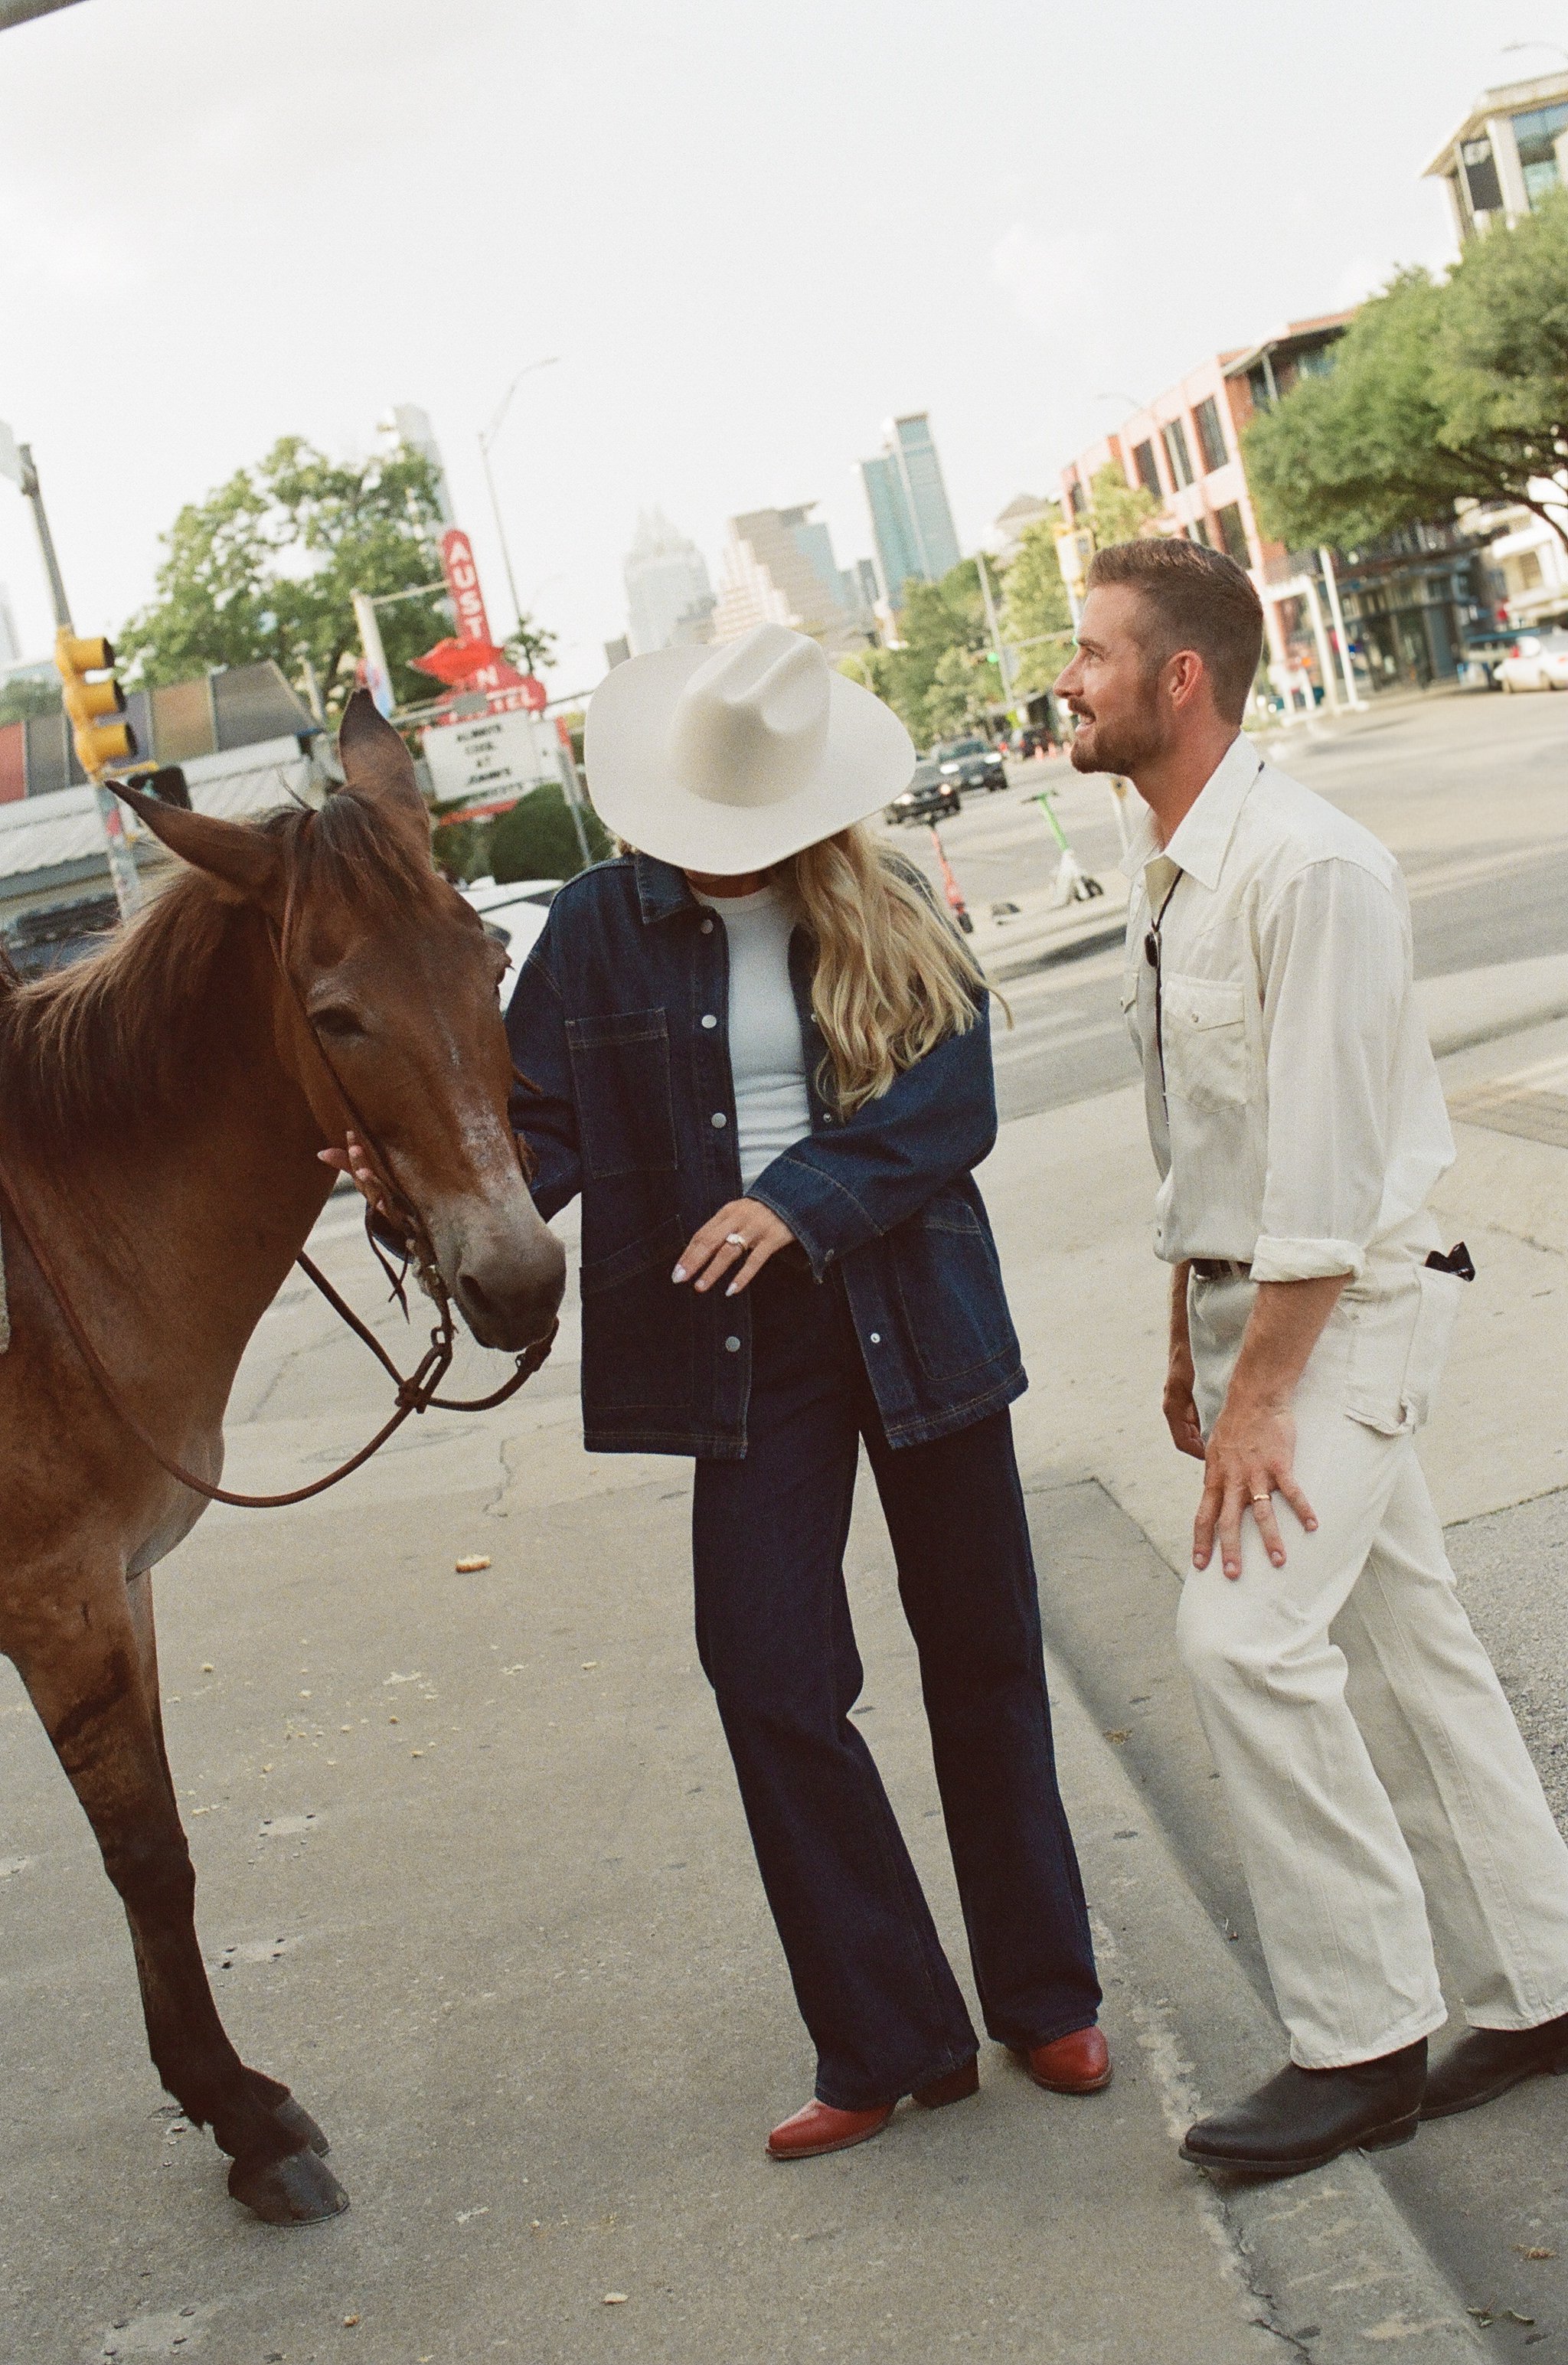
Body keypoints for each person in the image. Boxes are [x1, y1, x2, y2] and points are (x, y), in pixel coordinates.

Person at [505, 621, 1106, 2161]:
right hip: (738, 1349)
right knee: (768, 1674)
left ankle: (1043, 1994)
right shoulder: (594, 926)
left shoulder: (882, 893)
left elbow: (951, 1104)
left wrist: (794, 1200)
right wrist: (409, 1183)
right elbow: (533, 1131)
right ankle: (891, 2037)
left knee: (983, 1655)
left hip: (916, 1315)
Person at [1054, 538, 1568, 2178]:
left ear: (1180, 677)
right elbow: (1211, 1134)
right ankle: (1543, 1983)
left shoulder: (1311, 868)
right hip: (1251, 1313)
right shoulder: (1171, 864)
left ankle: (1360, 2042)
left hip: (1345, 1318)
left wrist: (1261, 1394)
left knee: (1243, 1640)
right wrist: (1187, 1335)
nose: (1065, 680)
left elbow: (1333, 1176)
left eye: (1090, 652)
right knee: (1405, 1641)